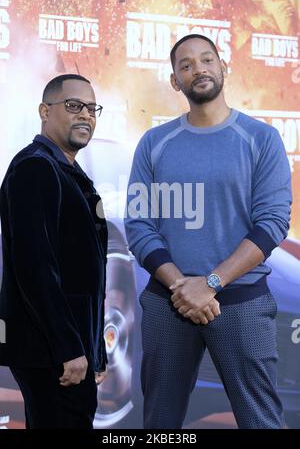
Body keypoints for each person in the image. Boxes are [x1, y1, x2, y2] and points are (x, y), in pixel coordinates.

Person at [125, 34, 292, 429]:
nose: (197, 69)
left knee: (261, 421)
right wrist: (184, 286)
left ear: (223, 67)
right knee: (159, 424)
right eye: (186, 65)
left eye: (206, 60)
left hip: (242, 302)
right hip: (170, 303)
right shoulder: (154, 143)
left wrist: (212, 283)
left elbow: (272, 223)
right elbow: (138, 224)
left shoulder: (262, 139)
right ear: (174, 81)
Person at [0, 74, 108, 428]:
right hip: (51, 352)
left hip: (70, 349)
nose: (85, 115)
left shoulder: (67, 171)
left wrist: (95, 350)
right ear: (45, 111)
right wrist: (68, 348)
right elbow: (35, 267)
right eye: (74, 106)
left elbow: (86, 275)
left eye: (92, 109)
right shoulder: (35, 167)